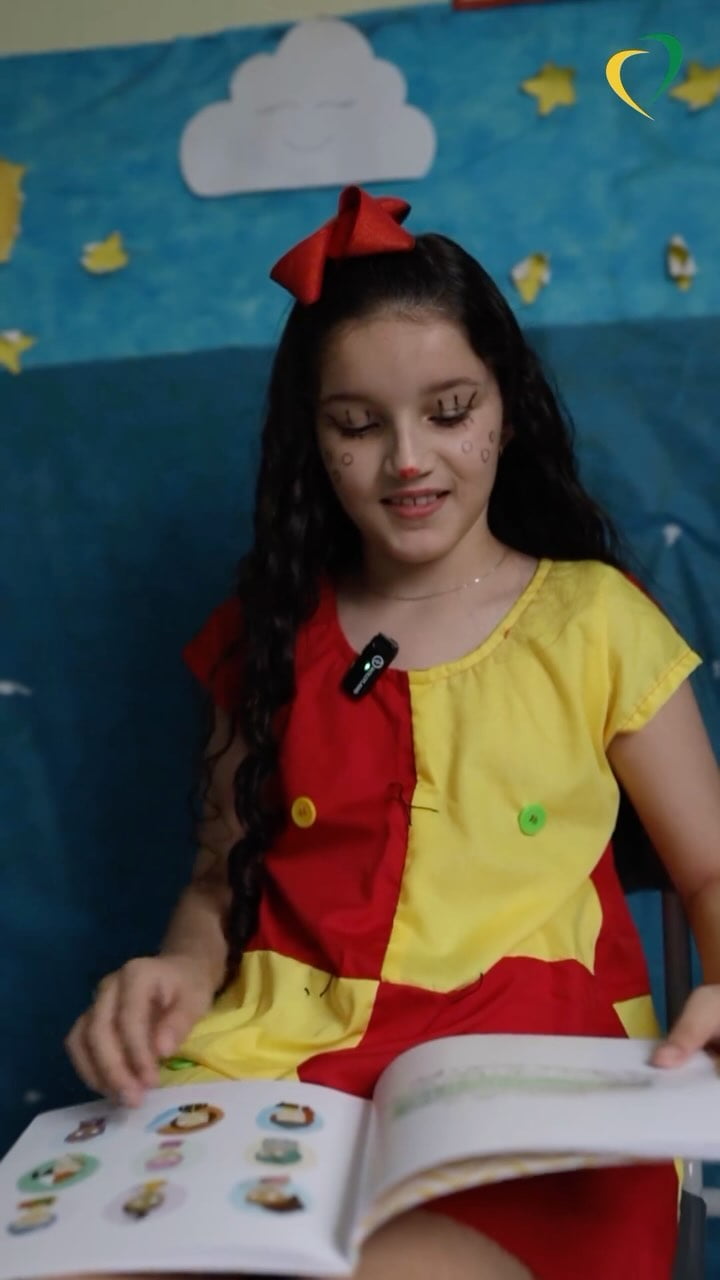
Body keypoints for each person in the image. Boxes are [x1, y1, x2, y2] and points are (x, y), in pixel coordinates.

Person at [65, 186, 720, 1280]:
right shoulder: (266, 633)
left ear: (508, 406)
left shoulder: (594, 619)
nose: (408, 458)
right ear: (312, 441)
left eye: (449, 411)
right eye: (359, 425)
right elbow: (220, 881)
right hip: (280, 1056)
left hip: (530, 1069)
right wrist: (175, 967)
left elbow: (709, 868)